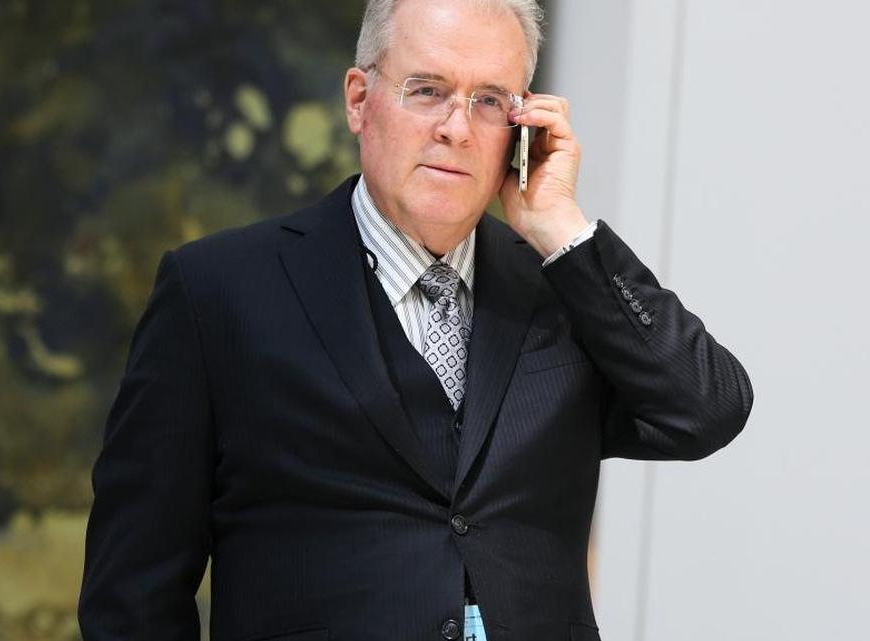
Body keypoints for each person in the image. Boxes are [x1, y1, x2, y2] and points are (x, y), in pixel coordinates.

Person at [77, 0, 753, 639]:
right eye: (427, 90)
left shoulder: (566, 289)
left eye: (490, 101)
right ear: (358, 100)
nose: (457, 128)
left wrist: (562, 228)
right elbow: (132, 595)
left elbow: (705, 410)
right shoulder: (217, 292)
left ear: (523, 127)